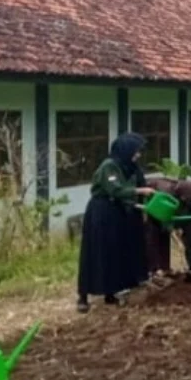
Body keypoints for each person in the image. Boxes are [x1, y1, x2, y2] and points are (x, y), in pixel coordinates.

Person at [77, 133, 153, 313]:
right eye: (136, 151)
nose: (138, 155)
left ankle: (110, 292)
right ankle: (83, 296)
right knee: (96, 252)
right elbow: (116, 189)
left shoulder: (130, 167)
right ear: (125, 150)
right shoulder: (109, 166)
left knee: (113, 253)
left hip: (118, 212)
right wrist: (140, 190)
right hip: (102, 213)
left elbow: (136, 185)